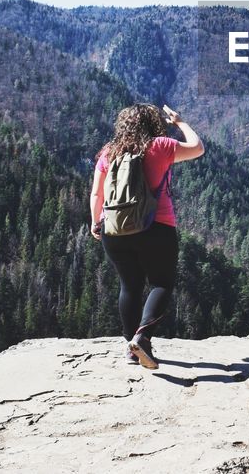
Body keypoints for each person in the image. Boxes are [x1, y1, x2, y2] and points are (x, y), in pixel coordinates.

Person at [90, 103, 205, 369]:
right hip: (157, 226)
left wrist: (95, 223)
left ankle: (131, 348)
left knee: (129, 285)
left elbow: (97, 193)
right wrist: (179, 123)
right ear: (152, 124)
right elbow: (197, 147)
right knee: (161, 283)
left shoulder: (108, 152)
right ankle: (142, 337)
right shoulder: (160, 146)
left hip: (114, 229)